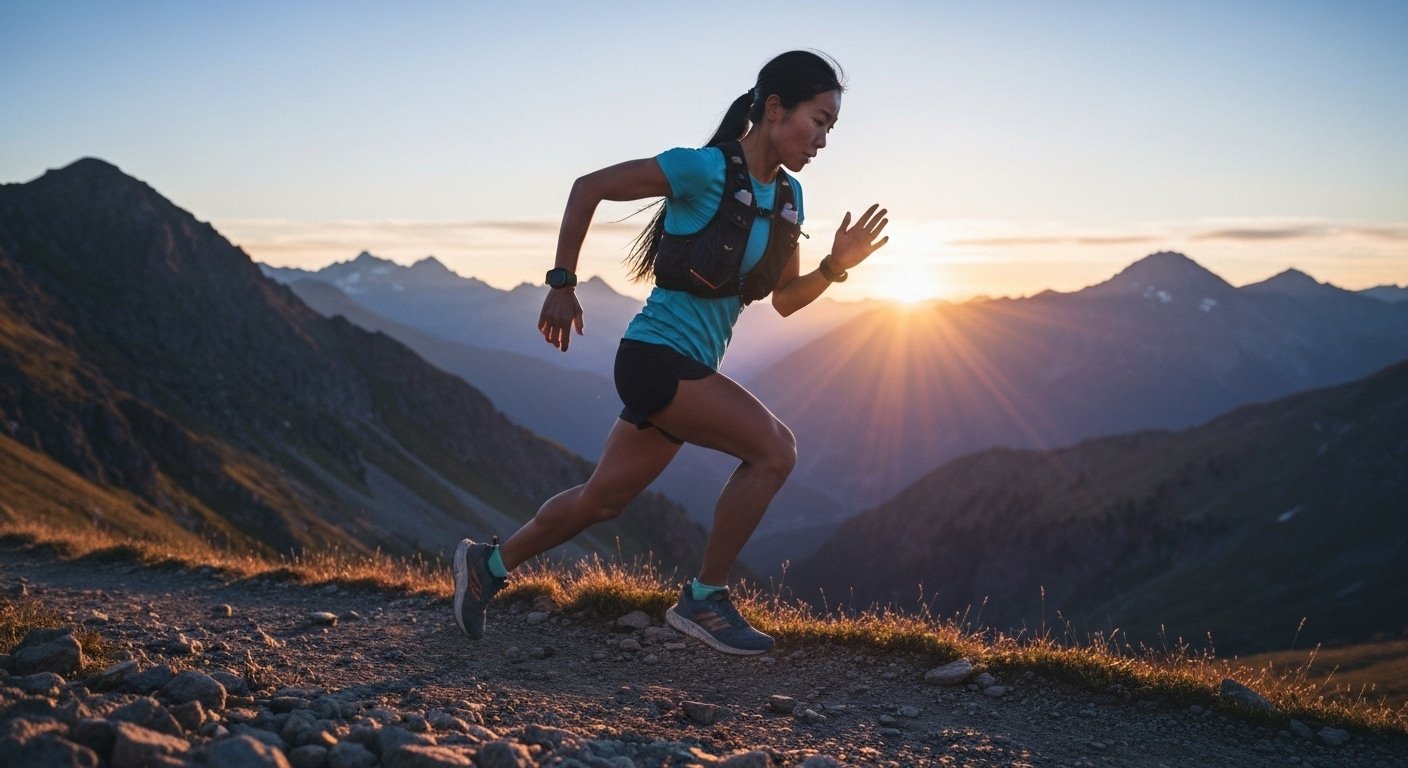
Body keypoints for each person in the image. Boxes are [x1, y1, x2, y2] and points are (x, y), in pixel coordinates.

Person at [453, 50, 888, 655]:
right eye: (818, 121)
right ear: (773, 108)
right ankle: (705, 599)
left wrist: (835, 266)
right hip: (655, 358)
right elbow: (589, 188)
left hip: (689, 369)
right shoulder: (702, 169)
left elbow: (785, 300)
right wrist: (561, 284)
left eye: (830, 128)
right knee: (775, 451)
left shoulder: (789, 199)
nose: (823, 139)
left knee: (600, 501)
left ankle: (486, 566)